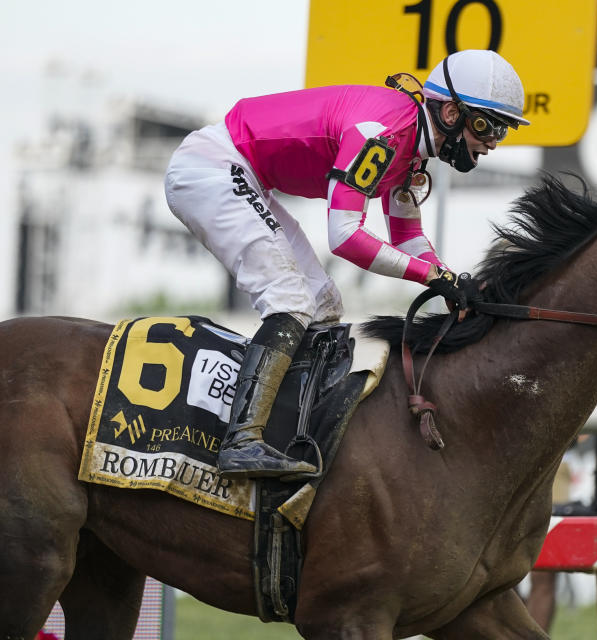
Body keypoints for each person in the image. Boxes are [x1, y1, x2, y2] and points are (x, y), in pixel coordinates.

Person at [164, 49, 529, 480]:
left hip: (243, 174)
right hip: (214, 167)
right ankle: (242, 439)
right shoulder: (383, 133)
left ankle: (285, 429)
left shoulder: (412, 152)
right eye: (489, 126)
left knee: (322, 302)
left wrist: (449, 281)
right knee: (289, 299)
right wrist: (432, 276)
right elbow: (345, 238)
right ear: (450, 112)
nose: (492, 143)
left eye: (501, 131)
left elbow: (409, 238)